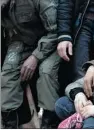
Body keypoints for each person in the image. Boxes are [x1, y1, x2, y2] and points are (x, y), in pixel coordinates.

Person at [1, 0, 61, 128]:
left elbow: (56, 31)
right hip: (22, 41)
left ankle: (49, 123)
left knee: (46, 71)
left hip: (51, 41)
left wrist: (35, 57)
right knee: (7, 75)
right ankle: (10, 124)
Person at [56, 0, 94, 88]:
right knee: (79, 75)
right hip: (83, 24)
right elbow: (66, 4)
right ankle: (80, 97)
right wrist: (64, 34)